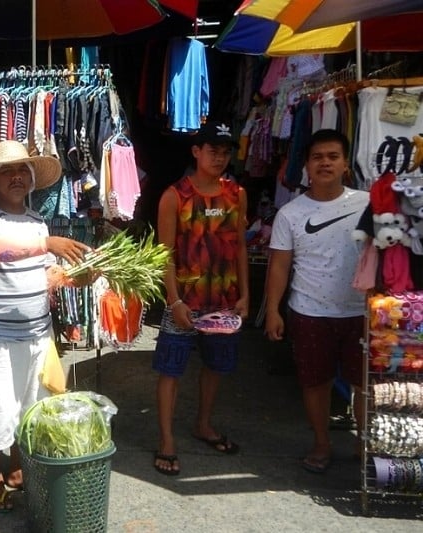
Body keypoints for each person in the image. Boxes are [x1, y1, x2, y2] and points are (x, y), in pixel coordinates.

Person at [0, 140, 92, 513]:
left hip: (37, 334)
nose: (16, 177)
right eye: (7, 171)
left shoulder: (36, 221)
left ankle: (17, 468)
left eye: (23, 171)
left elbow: (47, 274)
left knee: (31, 407)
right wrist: (46, 243)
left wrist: (79, 276)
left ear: (32, 179)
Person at [264, 129, 369, 474]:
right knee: (315, 382)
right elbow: (280, 265)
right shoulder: (291, 213)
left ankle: (365, 443)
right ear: (307, 165)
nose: (325, 163)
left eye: (333, 156)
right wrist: (274, 311)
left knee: (366, 383)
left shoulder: (368, 203)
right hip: (308, 311)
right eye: (317, 157)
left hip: (362, 312)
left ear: (344, 164)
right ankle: (321, 444)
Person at [152, 121, 249, 476]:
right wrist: (174, 302)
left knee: (216, 366)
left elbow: (239, 244)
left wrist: (245, 295)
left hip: (224, 300)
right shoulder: (174, 196)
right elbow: (164, 254)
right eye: (213, 151)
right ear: (196, 151)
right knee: (170, 369)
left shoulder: (235, 193)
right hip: (185, 301)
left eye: (225, 152)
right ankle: (166, 439)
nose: (220, 158)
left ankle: (203, 424)